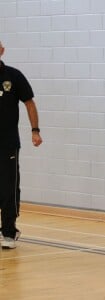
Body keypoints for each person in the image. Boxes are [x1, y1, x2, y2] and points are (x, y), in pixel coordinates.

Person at [0, 41, 42, 249]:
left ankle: (8, 232)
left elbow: (29, 102)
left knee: (8, 189)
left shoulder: (13, 76)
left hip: (7, 144)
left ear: (2, 50)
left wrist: (35, 131)